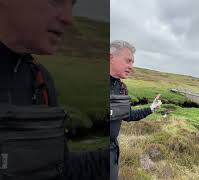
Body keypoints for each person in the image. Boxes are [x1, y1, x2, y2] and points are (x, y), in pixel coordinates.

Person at [0, 0, 108, 179]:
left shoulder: (40, 79)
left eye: (72, 5)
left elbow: (56, 168)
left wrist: (112, 158)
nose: (68, 18)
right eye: (56, 1)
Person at [109, 40, 162, 180]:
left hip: (112, 152)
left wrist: (151, 108)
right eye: (128, 61)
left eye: (132, 62)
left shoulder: (122, 88)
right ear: (110, 57)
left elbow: (128, 115)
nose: (131, 66)